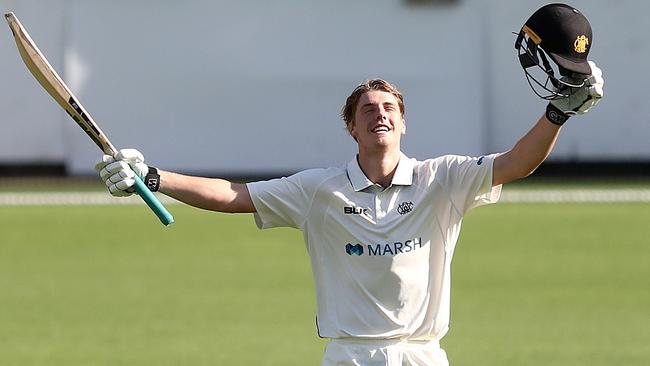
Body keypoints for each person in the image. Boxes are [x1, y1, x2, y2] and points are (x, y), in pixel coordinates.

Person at [95, 4, 604, 365]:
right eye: (368, 110)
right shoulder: (319, 190)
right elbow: (235, 195)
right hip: (350, 357)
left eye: (389, 108)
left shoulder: (442, 179)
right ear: (352, 128)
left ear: (403, 123)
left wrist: (557, 115)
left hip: (423, 354)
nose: (379, 114)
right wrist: (155, 177)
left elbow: (518, 162)